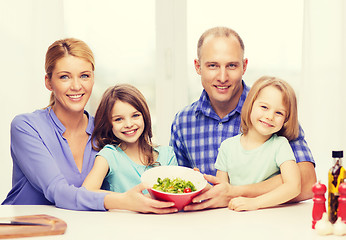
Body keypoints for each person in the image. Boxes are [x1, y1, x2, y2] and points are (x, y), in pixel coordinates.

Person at [2, 38, 177, 214]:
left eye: (84, 76)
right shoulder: (26, 127)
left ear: (93, 78)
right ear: (48, 82)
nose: (77, 86)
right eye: (64, 77)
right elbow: (57, 191)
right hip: (24, 228)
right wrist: (124, 201)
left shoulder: (105, 129)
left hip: (80, 229)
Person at [170, 26, 317, 211]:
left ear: (244, 66)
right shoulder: (183, 123)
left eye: (231, 65)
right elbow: (176, 189)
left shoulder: (268, 113)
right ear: (198, 67)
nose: (222, 77)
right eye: (213, 65)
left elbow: (307, 183)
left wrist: (236, 192)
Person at [215, 76, 301, 211]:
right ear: (250, 105)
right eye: (264, 107)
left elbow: (294, 186)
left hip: (269, 218)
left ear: (286, 119)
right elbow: (221, 191)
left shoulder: (280, 145)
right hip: (234, 217)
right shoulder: (227, 147)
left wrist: (254, 203)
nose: (270, 116)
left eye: (279, 112)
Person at [82, 84, 177, 193]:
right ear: (108, 124)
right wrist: (127, 201)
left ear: (144, 116)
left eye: (135, 115)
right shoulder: (109, 156)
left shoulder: (168, 155)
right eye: (118, 119)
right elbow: (86, 192)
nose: (128, 124)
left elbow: (176, 193)